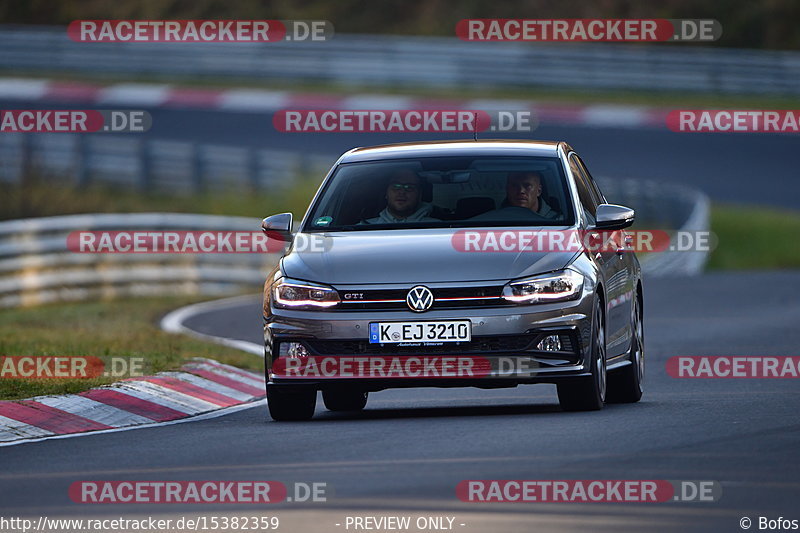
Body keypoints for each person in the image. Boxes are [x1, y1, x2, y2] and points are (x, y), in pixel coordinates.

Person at [363, 169, 439, 224]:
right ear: (386, 193)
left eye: (409, 187)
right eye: (396, 186)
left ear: (420, 195)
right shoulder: (363, 228)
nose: (402, 192)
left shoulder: (439, 229)